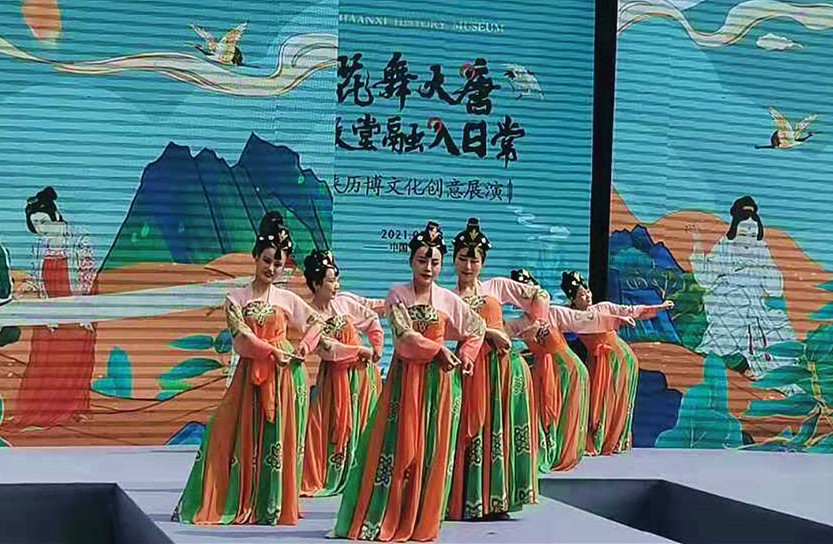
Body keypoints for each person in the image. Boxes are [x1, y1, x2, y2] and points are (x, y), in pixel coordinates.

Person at [334, 221, 485, 542]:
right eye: (422, 260)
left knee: (432, 449)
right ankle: (385, 515)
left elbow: (477, 327)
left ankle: (421, 520)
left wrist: (467, 355)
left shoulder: (447, 299)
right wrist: (439, 350)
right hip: (406, 382)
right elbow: (403, 337)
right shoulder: (397, 295)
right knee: (397, 447)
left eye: (435, 262)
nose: (428, 268)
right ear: (411, 261)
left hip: (439, 385)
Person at [173, 212, 324, 526]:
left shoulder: (287, 299)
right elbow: (241, 337)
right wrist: (271, 351)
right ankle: (239, 498)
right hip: (251, 375)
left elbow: (317, 323)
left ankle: (273, 503)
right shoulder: (236, 299)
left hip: (285, 378)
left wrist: (304, 348)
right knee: (227, 432)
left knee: (278, 440)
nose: (271, 268)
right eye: (266, 260)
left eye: (278, 264)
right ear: (255, 257)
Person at [447, 218, 541, 520]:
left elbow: (539, 297)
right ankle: (470, 500)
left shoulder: (496, 286)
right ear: (454, 260)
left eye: (474, 260)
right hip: (470, 367)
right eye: (463, 258)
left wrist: (521, 327)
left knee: (501, 428)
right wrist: (489, 332)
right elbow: (447, 331)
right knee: (471, 430)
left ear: (483, 262)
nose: (468, 266)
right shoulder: (448, 297)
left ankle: (499, 500)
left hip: (503, 368)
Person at [506, 269, 632, 471]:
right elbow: (496, 332)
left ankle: (566, 452)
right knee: (548, 415)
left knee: (568, 414)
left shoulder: (554, 313)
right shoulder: (518, 324)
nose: (529, 298)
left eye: (531, 292)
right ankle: (550, 450)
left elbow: (586, 319)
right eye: (521, 296)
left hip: (571, 370)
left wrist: (617, 319)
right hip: (547, 372)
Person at [11, 187, 97, 429]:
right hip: (49, 308)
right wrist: (25, 289)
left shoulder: (79, 239)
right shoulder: (40, 246)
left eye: (42, 221)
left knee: (76, 359)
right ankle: (39, 412)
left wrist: (84, 313)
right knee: (44, 359)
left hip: (79, 305)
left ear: (55, 215)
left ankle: (74, 410)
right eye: (35, 224)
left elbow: (87, 277)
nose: (40, 228)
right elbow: (38, 279)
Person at [301, 250, 384, 497]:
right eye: (330, 281)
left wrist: (377, 345)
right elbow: (327, 349)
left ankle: (361, 474)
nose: (336, 285)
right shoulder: (308, 314)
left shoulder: (344, 303)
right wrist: (360, 350)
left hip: (362, 377)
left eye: (337, 279)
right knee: (324, 425)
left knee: (363, 423)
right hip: (334, 379)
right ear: (316, 284)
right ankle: (331, 474)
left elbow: (371, 318)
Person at [688, 196, 797, 383]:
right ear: (735, 230)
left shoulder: (761, 251)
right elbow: (706, 279)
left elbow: (775, 289)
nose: (748, 240)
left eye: (752, 235)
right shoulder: (725, 247)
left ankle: (759, 372)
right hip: (727, 303)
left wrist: (761, 268)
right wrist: (697, 243)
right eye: (743, 234)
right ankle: (732, 365)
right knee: (726, 330)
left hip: (754, 307)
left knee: (769, 337)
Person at [563, 271, 672, 456]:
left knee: (615, 399)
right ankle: (596, 440)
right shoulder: (571, 316)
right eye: (581, 295)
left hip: (620, 358)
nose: (587, 296)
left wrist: (657, 307)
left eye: (587, 291)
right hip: (598, 360)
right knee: (597, 402)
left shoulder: (603, 307)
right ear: (573, 300)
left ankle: (613, 440)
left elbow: (628, 310)